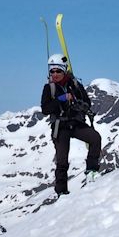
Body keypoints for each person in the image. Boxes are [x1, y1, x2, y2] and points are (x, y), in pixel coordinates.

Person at [40, 54, 102, 195]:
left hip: (76, 123)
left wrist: (79, 104)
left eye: (58, 71)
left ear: (64, 71)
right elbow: (45, 109)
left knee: (95, 138)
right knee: (62, 161)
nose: (55, 74)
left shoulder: (74, 85)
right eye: (52, 71)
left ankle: (91, 171)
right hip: (60, 127)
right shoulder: (49, 88)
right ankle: (61, 192)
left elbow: (87, 102)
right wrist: (61, 99)